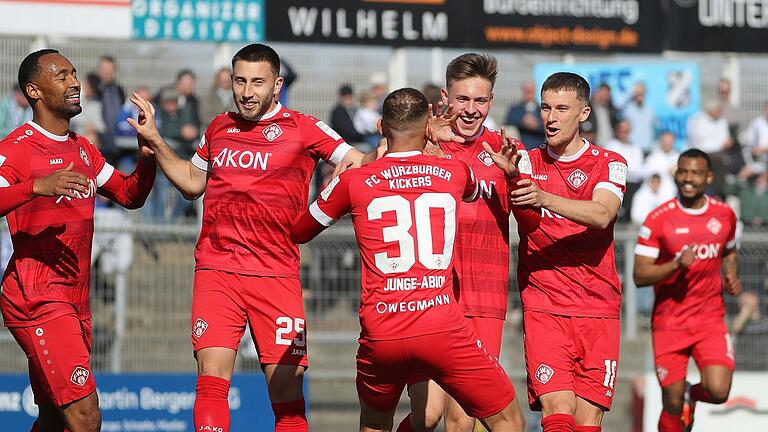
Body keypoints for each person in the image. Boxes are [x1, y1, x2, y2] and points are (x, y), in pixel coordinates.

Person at [128, 43, 371, 432]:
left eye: (257, 82)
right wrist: (156, 140)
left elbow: (356, 160)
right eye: (240, 80)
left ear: (276, 85)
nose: (246, 91)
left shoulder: (302, 127)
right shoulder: (219, 127)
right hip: (217, 269)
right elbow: (192, 184)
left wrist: (334, 189)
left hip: (276, 274)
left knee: (288, 399)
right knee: (211, 381)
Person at [290, 87, 526, 432]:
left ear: (381, 127)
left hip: (382, 330)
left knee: (375, 423)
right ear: (428, 126)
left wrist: (336, 180)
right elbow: (473, 188)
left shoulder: (355, 181)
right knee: (508, 420)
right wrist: (436, 144)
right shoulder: (455, 173)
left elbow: (299, 231)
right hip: (440, 325)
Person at [0, 49, 155, 432]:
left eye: (73, 74)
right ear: (34, 91)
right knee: (86, 418)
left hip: (74, 300)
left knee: (55, 417)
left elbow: (130, 196)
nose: (74, 83)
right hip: (38, 298)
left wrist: (148, 153)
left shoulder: (82, 149)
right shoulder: (15, 149)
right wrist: (35, 187)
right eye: (62, 76)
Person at [398, 53, 540, 432]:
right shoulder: (420, 143)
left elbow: (531, 225)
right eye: (463, 99)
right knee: (427, 416)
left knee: (462, 417)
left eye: (480, 101)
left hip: (484, 297)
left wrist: (514, 181)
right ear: (446, 97)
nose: (471, 110)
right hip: (429, 294)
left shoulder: (510, 152)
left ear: (491, 102)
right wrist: (419, 150)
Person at [511, 72, 627, 432]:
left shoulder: (610, 162)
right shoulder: (525, 163)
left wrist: (544, 198)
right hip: (546, 306)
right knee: (558, 412)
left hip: (598, 308)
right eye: (545, 108)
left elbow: (602, 213)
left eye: (562, 108)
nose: (551, 117)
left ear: (584, 113)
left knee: (588, 422)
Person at [633, 149, 741, 432]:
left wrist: (731, 275)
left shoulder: (725, 214)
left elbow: (729, 250)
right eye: (683, 172)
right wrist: (676, 265)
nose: (688, 179)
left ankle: (693, 395)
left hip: (709, 319)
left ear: (708, 176)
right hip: (670, 322)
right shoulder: (658, 218)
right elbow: (639, 275)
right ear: (676, 174)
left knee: (718, 391)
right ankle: (680, 403)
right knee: (671, 401)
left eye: (695, 173)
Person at [505, 80, 545, 150]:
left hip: (538, 147)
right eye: (527, 91)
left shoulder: (542, 109)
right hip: (520, 148)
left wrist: (536, 125)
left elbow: (547, 126)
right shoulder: (515, 109)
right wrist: (523, 122)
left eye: (530, 91)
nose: (529, 94)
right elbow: (508, 122)